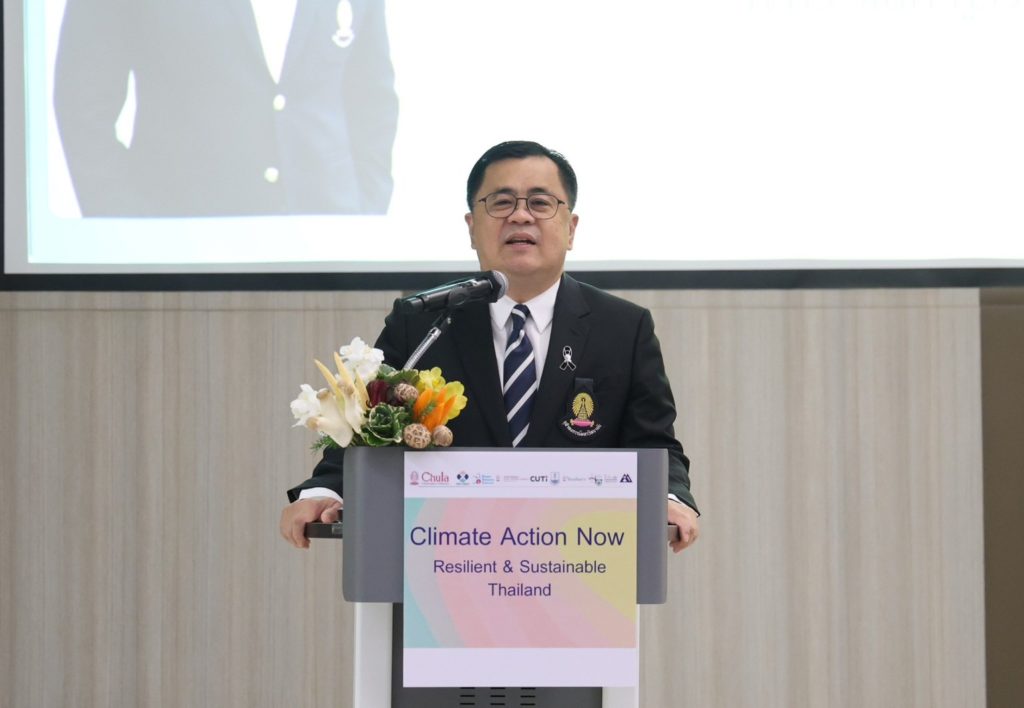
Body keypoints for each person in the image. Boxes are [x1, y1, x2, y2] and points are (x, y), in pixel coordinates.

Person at [280, 140, 700, 553]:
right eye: (501, 202)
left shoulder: (623, 328)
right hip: (446, 552)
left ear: (571, 228)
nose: (520, 215)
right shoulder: (423, 322)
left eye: (540, 202)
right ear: (471, 227)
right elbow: (368, 425)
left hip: (578, 553)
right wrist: (324, 490)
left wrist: (669, 498)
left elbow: (655, 444)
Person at [53, 0, 398, 217]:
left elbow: (373, 98)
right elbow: (82, 105)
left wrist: (367, 210)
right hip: (180, 249)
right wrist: (123, 226)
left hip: (334, 249)